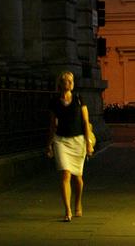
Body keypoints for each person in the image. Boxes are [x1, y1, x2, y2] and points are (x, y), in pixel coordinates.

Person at [46, 71, 94, 222]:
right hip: (61, 140)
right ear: (60, 84)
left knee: (78, 178)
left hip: (78, 141)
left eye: (70, 80)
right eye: (66, 80)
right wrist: (49, 144)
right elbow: (53, 124)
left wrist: (88, 143)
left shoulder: (79, 99)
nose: (69, 83)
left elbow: (86, 122)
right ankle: (67, 210)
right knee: (65, 174)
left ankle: (78, 202)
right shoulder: (54, 102)